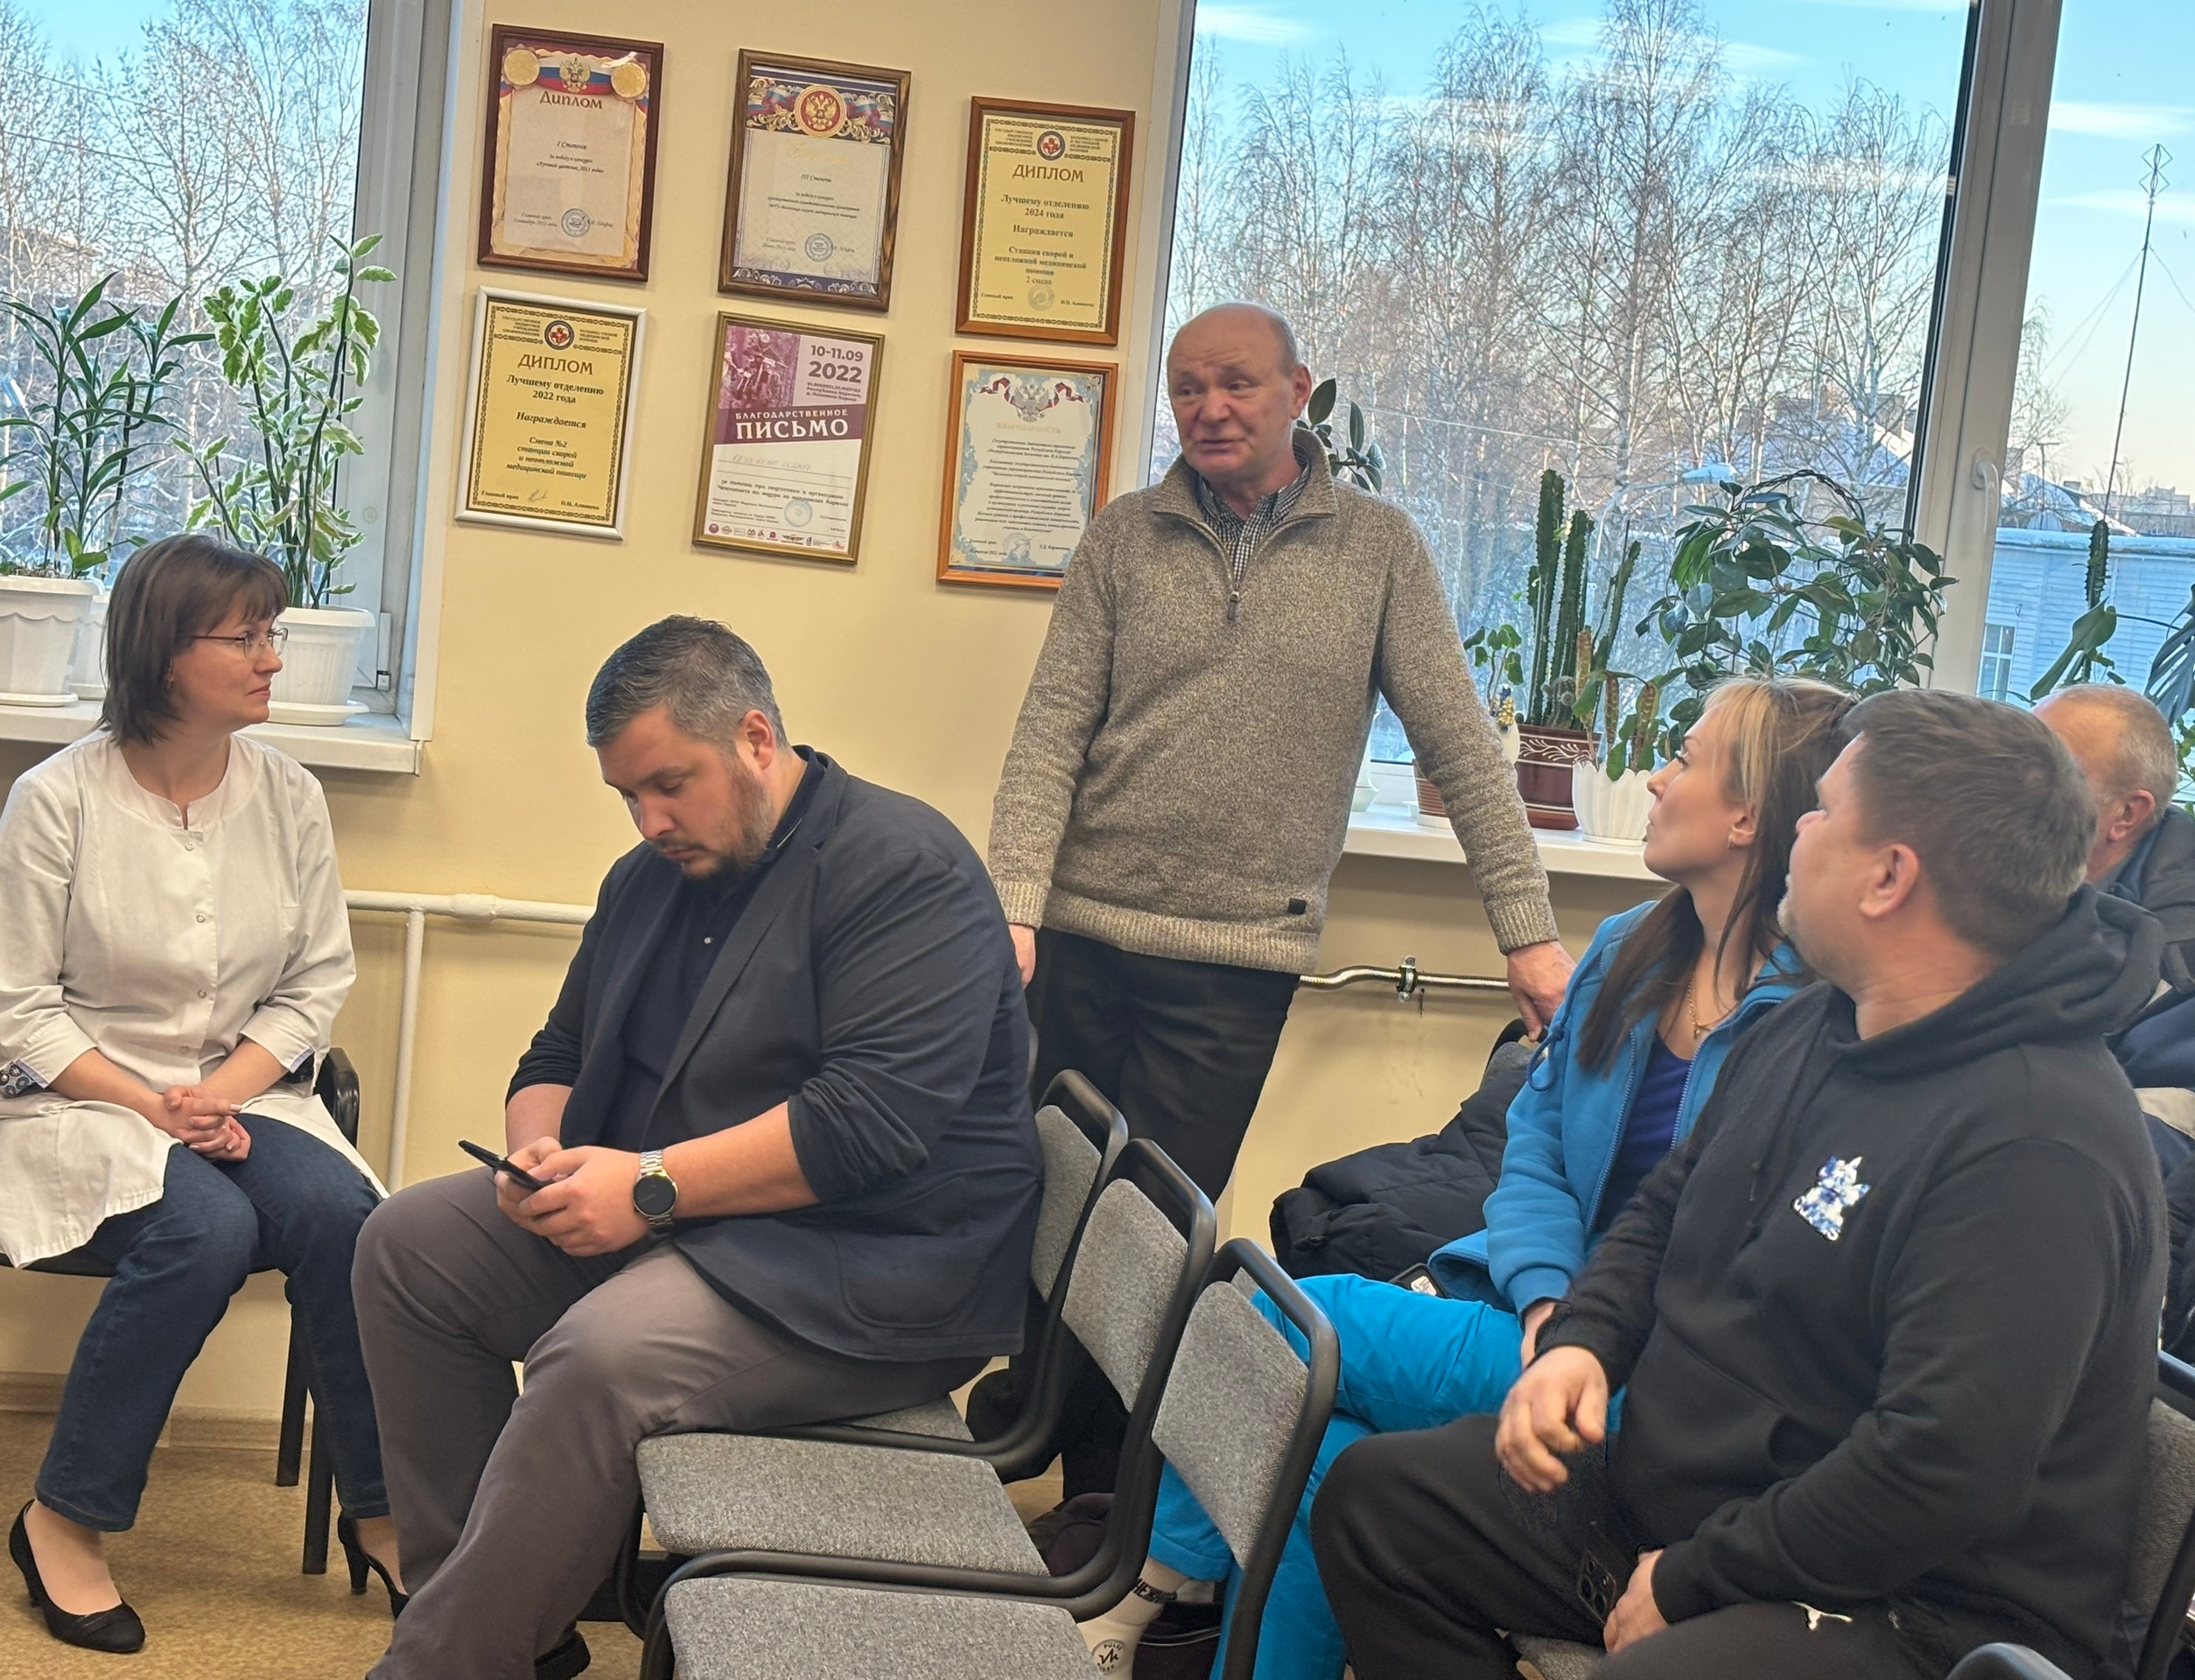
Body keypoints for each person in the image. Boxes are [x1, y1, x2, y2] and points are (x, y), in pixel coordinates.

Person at [1311, 690, 2166, 1680]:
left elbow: (1939, 1473)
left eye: (1824, 813)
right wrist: (1584, 1340)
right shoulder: (1820, 1019)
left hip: (1920, 1608)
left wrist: (1692, 1581)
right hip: (1707, 1509)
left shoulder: (2038, 1145)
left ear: (1889, 877)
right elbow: (1666, 1207)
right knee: (1381, 1506)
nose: (1799, 827)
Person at [1076, 676, 1853, 1680]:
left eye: (1684, 758)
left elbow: (1727, 1264)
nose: (1657, 780)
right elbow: (1532, 1145)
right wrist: (1548, 1300)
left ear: (1748, 816)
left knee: (1268, 1318)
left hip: (1645, 1382)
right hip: (1543, 1321)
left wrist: (1583, 1334)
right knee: (1329, 1461)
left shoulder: (1808, 1024)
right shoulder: (1629, 949)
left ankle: (1151, 1585)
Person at [351, 618, 1041, 1680]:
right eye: (628, 796)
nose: (650, 820)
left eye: (670, 785)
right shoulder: (651, 877)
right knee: (406, 1247)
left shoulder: (903, 868)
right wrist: (537, 1158)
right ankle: (503, 1627)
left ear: (756, 739)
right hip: (684, 1220)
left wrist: (647, 1187)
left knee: (601, 1358)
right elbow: (558, 1052)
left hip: (864, 1264)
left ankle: (446, 1663)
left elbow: (866, 1121)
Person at [989, 301, 1570, 1206]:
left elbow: (1461, 752)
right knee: (1043, 1202)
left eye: (1236, 384)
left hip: (1240, 958)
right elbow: (1048, 735)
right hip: (1079, 940)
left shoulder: (1380, 549)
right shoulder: (1122, 537)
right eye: (1188, 390)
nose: (1210, 409)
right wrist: (1014, 908)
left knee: (1149, 1231)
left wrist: (1527, 934)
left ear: (1297, 391)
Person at [0, 534, 387, 1655]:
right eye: (247, 637)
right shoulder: (54, 800)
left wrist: (218, 1091)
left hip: (246, 1092)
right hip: (79, 1098)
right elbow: (20, 1007)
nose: (273, 658)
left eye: (273, 633)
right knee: (204, 1229)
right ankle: (62, 1519)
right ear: (166, 652)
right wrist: (150, 1102)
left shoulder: (290, 795)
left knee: (349, 1220)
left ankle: (381, 1512)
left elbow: (316, 981)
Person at [2034, 684, 2195, 1166]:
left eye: (2046, 773)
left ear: (2126, 813)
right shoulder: (2034, 887)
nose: (2008, 790)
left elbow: (2171, 1146)